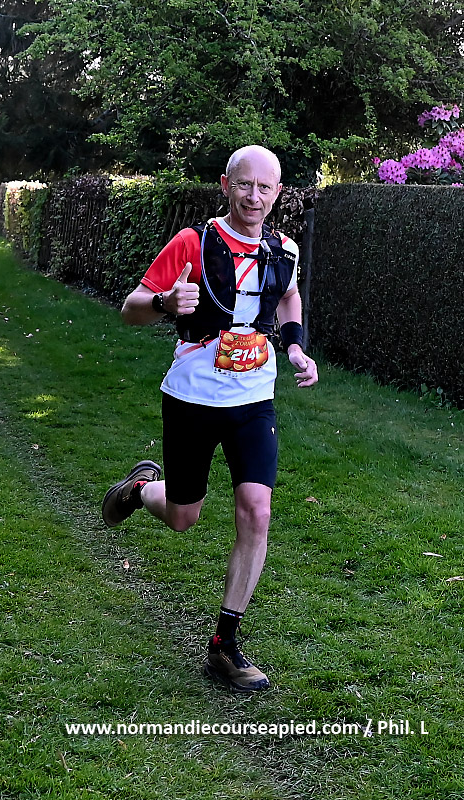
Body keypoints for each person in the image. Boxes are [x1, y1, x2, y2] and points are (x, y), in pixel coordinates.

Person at [102, 145, 318, 692]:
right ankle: (142, 489)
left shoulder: (284, 249)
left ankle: (224, 644)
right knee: (183, 517)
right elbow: (130, 309)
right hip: (193, 398)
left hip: (253, 399)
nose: (254, 197)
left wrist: (294, 347)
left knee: (257, 510)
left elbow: (288, 297)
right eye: (244, 185)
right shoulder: (192, 243)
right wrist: (165, 305)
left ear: (277, 193)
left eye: (264, 188)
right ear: (226, 185)